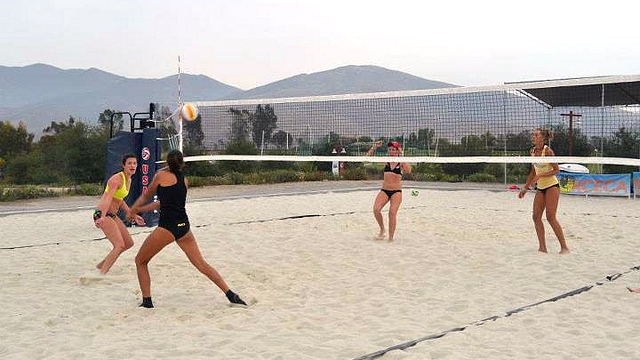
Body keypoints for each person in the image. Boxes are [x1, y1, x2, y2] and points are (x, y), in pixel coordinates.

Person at [128, 150, 246, 308]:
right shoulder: (185, 181)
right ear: (181, 163)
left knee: (140, 261)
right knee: (201, 263)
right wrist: (137, 211)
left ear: (167, 163)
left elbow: (146, 195)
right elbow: (160, 204)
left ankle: (147, 302)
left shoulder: (160, 176)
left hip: (167, 228)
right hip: (184, 227)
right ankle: (230, 294)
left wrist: (133, 210)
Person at [518, 128, 570, 254]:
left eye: (536, 135)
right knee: (536, 217)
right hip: (540, 188)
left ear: (542, 138)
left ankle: (564, 247)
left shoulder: (548, 151)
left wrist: (541, 176)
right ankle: (542, 248)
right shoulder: (533, 151)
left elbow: (556, 170)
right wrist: (525, 187)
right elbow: (533, 171)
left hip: (552, 186)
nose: (533, 137)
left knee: (550, 217)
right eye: (533, 135)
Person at [93, 153, 145, 274]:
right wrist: (102, 216)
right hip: (102, 213)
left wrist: (133, 214)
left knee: (128, 243)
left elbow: (119, 201)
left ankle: (101, 266)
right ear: (124, 165)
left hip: (112, 215)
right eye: (129, 163)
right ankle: (102, 274)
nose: (132, 166)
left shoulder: (129, 180)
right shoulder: (116, 179)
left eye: (134, 163)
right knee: (119, 245)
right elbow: (108, 198)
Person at [367, 140, 412, 242]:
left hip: (396, 191)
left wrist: (402, 155)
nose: (391, 151)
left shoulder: (401, 162)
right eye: (390, 149)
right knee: (376, 209)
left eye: (393, 149)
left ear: (397, 150)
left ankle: (391, 238)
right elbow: (368, 157)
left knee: (392, 213)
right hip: (385, 190)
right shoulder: (386, 160)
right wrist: (374, 147)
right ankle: (382, 230)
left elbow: (409, 170)